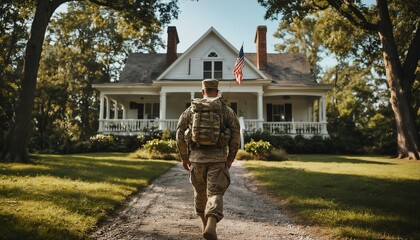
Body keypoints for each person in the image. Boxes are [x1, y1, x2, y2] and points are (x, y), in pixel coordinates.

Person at [176, 79, 240, 240]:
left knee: (200, 192)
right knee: (215, 192)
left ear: (203, 91)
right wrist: (230, 157)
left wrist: (184, 157)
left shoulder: (192, 109)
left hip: (196, 159)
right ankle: (211, 222)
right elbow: (235, 135)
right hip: (218, 158)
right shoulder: (226, 110)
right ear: (217, 92)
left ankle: (205, 225)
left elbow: (179, 133)